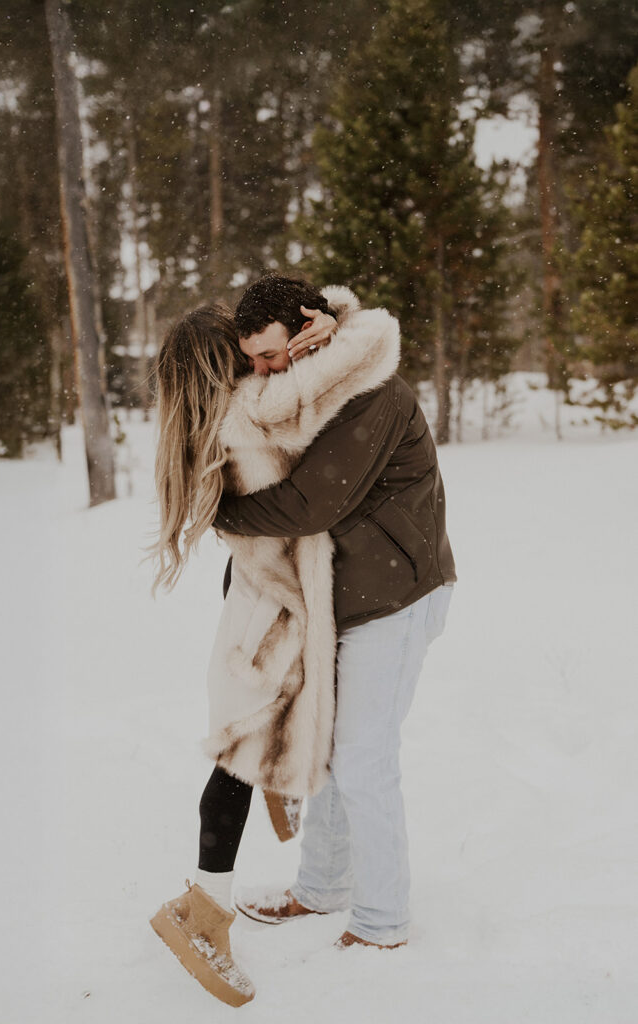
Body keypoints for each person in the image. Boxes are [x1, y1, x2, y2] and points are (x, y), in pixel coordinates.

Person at [149, 276, 402, 1006]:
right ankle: (202, 913)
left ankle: (276, 795)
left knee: (254, 741)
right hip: (276, 608)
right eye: (247, 357)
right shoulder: (250, 416)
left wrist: (316, 329)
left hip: (254, 600)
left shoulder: (207, 422)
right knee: (238, 756)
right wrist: (339, 329)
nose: (264, 367)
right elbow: (324, 409)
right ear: (222, 367)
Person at [213, 275, 457, 953]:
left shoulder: (366, 390)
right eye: (252, 361)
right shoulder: (307, 386)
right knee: (331, 743)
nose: (260, 371)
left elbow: (308, 506)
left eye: (268, 353)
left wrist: (214, 511)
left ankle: (382, 925)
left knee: (362, 757)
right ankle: (321, 888)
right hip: (348, 596)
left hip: (397, 597)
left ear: (308, 326)